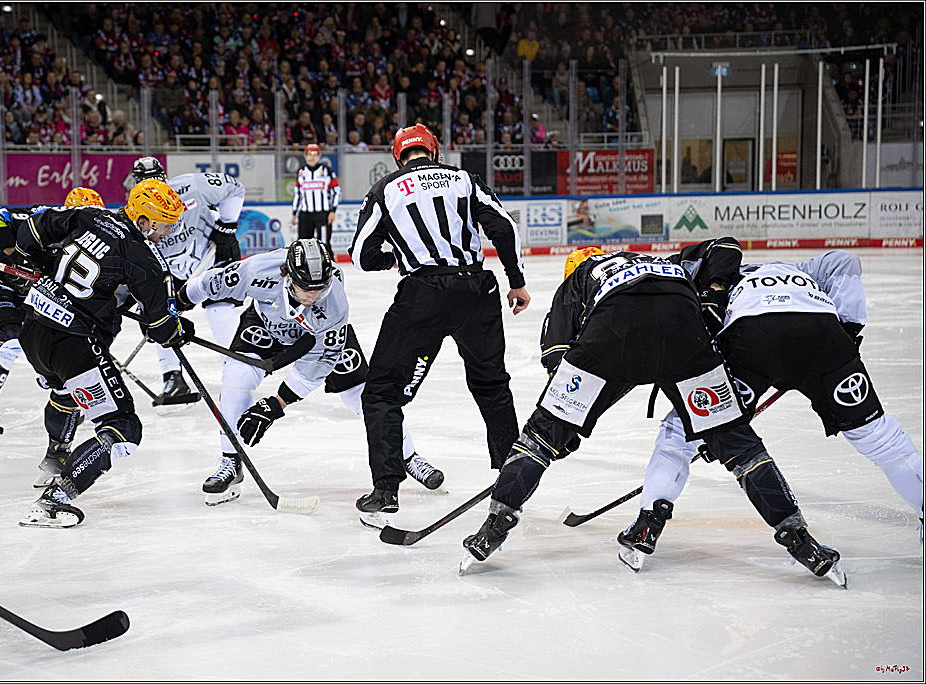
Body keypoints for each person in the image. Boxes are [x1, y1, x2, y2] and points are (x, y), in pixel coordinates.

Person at [461, 247, 845, 587]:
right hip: (684, 331)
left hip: (614, 328)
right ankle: (799, 539)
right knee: (739, 447)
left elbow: (557, 353)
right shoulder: (664, 263)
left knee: (538, 440)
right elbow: (727, 249)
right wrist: (719, 414)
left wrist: (563, 425)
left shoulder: (582, 273)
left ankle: (493, 528)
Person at [623, 239, 924, 558]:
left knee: (679, 435)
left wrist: (717, 431)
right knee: (880, 438)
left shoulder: (715, 281)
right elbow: (845, 261)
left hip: (751, 337)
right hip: (823, 336)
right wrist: (847, 331)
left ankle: (648, 522)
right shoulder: (797, 270)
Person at [348, 123, 530, 525]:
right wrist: (516, 282)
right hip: (477, 291)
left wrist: (392, 259)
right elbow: (505, 227)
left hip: (423, 295)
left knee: (382, 393)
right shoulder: (464, 179)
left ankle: (386, 491)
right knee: (492, 385)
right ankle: (511, 479)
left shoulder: (385, 189)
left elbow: (361, 254)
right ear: (434, 151)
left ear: (398, 156)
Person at [177, 238, 443, 506]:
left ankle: (406, 455)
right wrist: (178, 300)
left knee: (362, 395)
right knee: (236, 378)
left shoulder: (335, 304)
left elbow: (318, 364)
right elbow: (214, 282)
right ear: (287, 274)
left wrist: (276, 404)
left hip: (319, 338)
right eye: (305, 288)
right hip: (266, 325)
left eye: (318, 288)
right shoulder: (258, 270)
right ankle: (230, 461)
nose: (311, 296)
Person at [14, 179, 190, 527]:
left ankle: (54, 459)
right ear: (145, 221)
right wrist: (180, 331)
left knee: (63, 392)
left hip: (33, 330)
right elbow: (161, 329)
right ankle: (55, 499)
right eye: (166, 223)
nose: (170, 231)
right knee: (122, 425)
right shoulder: (146, 260)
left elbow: (29, 234)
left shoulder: (90, 216)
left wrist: (41, 267)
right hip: (73, 344)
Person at [0, 188, 106, 444]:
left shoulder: (92, 238)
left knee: (48, 336)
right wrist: (16, 257)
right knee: (10, 342)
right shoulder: (42, 216)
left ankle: (61, 395)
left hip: (21, 288)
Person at [129, 156, 245, 404]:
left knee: (220, 309)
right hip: (172, 270)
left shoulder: (192, 184)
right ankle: (173, 377)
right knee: (160, 317)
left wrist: (227, 227)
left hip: (212, 253)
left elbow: (235, 187)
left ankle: (237, 371)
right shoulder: (135, 210)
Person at [291, 143, 340, 259]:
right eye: (309, 154)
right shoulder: (301, 172)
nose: (311, 157)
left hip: (322, 214)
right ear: (305, 156)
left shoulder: (327, 171)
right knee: (303, 243)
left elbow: (336, 192)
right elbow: (297, 194)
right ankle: (305, 268)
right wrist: (294, 213)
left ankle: (330, 267)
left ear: (319, 156)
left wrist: (333, 210)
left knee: (323, 242)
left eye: (314, 154)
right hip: (305, 214)